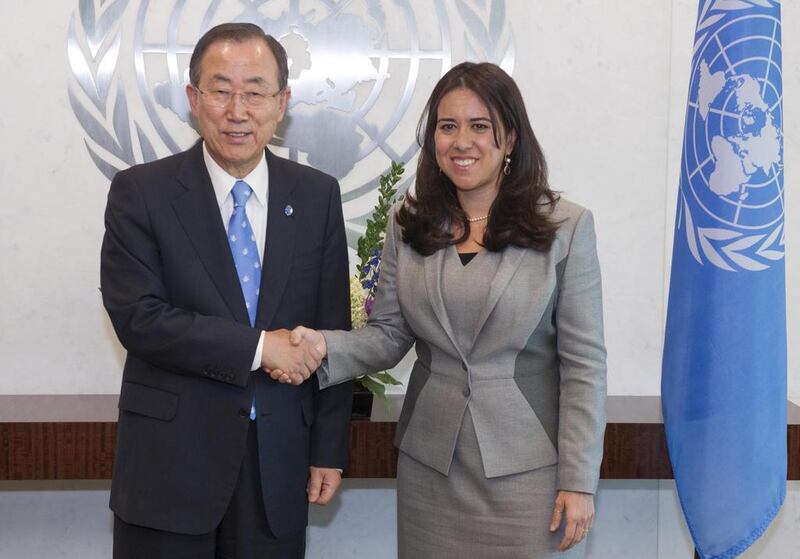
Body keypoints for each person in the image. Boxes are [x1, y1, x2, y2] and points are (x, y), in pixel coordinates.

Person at [275, 62, 607, 558]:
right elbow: (388, 334)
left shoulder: (565, 227)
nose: (461, 141)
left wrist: (579, 482)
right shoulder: (407, 223)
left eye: (479, 126)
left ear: (510, 138)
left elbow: (584, 368)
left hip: (528, 474)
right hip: (431, 469)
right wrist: (323, 344)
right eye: (447, 127)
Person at [100, 22, 353, 559]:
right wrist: (261, 349)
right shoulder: (141, 193)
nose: (238, 110)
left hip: (276, 469)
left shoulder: (316, 196)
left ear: (282, 102)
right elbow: (140, 318)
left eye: (256, 92)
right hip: (171, 468)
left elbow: (333, 331)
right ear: (194, 99)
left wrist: (328, 449)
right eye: (220, 90)